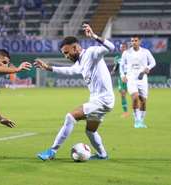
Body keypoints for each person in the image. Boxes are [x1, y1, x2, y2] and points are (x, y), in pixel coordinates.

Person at [34, 23, 115, 160]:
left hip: (103, 99)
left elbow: (111, 47)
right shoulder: (81, 62)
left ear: (76, 47)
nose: (66, 56)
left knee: (70, 116)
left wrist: (94, 36)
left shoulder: (91, 52)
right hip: (100, 100)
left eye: (67, 52)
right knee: (90, 131)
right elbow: (70, 70)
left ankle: (52, 151)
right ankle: (102, 154)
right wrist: (48, 68)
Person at [121, 35, 156, 128]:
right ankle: (137, 121)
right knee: (135, 97)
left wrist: (148, 68)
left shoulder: (145, 52)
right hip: (131, 79)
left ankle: (142, 121)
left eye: (136, 41)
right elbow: (121, 65)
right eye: (132, 41)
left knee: (143, 101)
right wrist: (122, 75)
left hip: (142, 79)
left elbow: (153, 62)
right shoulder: (126, 53)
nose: (134, 42)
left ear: (140, 41)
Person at [111, 43, 129, 118]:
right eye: (121, 47)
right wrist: (112, 72)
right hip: (121, 78)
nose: (122, 48)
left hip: (130, 76)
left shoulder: (131, 56)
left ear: (127, 48)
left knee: (134, 93)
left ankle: (138, 111)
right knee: (122, 93)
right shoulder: (118, 58)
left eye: (124, 47)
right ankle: (126, 112)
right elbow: (116, 67)